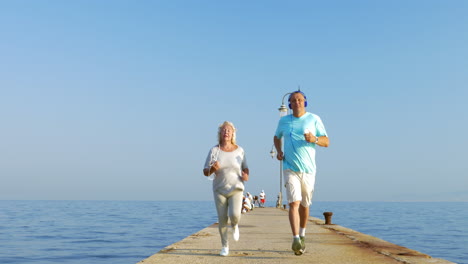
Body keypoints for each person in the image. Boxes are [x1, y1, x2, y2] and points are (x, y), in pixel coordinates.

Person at [273, 90, 329, 256]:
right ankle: (296, 238)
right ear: (289, 105)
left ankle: (303, 234)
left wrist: (315, 139)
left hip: (309, 170)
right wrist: (278, 150)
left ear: (305, 102)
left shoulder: (314, 119)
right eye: (293, 100)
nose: (297, 102)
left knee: (305, 205)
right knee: (293, 203)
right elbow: (276, 137)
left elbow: (327, 141)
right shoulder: (284, 121)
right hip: (289, 168)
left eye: (300, 100)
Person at [203, 121, 249, 257]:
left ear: (233, 133)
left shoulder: (240, 150)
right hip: (219, 189)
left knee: (235, 215)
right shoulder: (214, 151)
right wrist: (212, 169)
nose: (226, 132)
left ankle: (235, 225)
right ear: (220, 133)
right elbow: (205, 171)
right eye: (224, 130)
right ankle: (225, 246)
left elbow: (245, 167)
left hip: (237, 188)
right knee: (222, 218)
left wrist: (246, 174)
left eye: (229, 130)